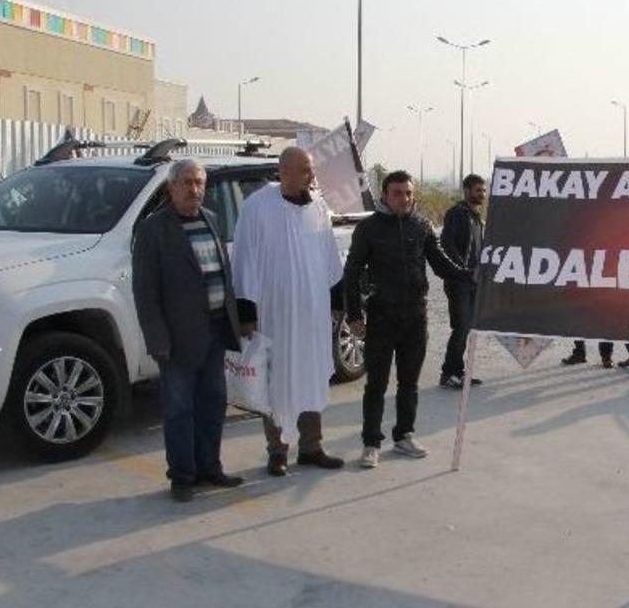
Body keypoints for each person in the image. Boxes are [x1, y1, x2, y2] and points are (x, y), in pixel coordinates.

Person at [132, 159, 246, 502]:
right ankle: (182, 476)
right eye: (186, 182)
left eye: (198, 182)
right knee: (179, 410)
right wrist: (157, 339)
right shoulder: (154, 229)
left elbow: (222, 277)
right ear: (171, 188)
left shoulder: (210, 219)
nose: (193, 189)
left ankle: (209, 468)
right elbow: (145, 292)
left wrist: (235, 323)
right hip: (178, 339)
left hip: (215, 331)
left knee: (214, 403)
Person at [344, 170, 471, 469]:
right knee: (376, 383)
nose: (404, 198)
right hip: (381, 316)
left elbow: (440, 264)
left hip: (415, 316)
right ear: (385, 196)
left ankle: (404, 435)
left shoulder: (422, 225)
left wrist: (470, 275)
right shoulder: (369, 229)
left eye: (409, 193)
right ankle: (371, 443)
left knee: (409, 382)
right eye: (398, 193)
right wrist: (353, 314)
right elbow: (351, 271)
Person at [232, 146, 345, 477]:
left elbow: (329, 259)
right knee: (277, 382)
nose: (312, 177)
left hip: (311, 316)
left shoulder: (318, 208)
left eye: (312, 170)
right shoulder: (257, 208)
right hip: (274, 314)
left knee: (310, 374)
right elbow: (245, 261)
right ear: (285, 172)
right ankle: (277, 451)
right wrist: (247, 312)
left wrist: (338, 302)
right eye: (306, 170)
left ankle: (311, 447)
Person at [440, 173, 486, 389]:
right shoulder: (457, 214)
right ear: (466, 191)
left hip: (473, 283)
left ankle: (459, 371)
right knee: (461, 327)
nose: (482, 194)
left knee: (466, 328)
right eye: (478, 190)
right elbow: (447, 244)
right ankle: (449, 373)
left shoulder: (476, 217)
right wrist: (463, 270)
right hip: (459, 282)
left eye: (484, 190)